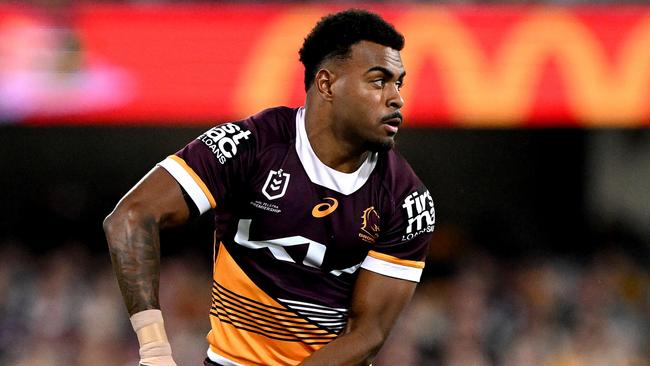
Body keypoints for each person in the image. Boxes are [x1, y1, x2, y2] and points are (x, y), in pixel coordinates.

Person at [104, 8, 435, 366]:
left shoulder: (407, 199)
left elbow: (368, 334)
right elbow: (131, 216)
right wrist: (154, 351)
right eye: (378, 80)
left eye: (398, 82)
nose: (396, 98)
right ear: (327, 84)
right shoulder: (251, 146)